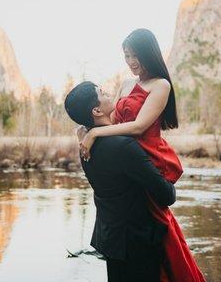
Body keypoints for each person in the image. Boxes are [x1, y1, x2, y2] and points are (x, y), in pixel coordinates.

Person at [79, 28, 206, 282]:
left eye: (135, 55)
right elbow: (111, 119)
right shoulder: (126, 84)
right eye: (126, 55)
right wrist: (84, 129)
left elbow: (138, 126)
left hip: (147, 151)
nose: (131, 62)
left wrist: (94, 136)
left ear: (148, 53)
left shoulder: (161, 85)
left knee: (156, 215)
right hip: (125, 153)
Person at [64, 81, 177, 282]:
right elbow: (166, 195)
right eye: (103, 93)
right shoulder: (124, 146)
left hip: (111, 238)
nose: (109, 94)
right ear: (97, 110)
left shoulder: (85, 146)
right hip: (137, 241)